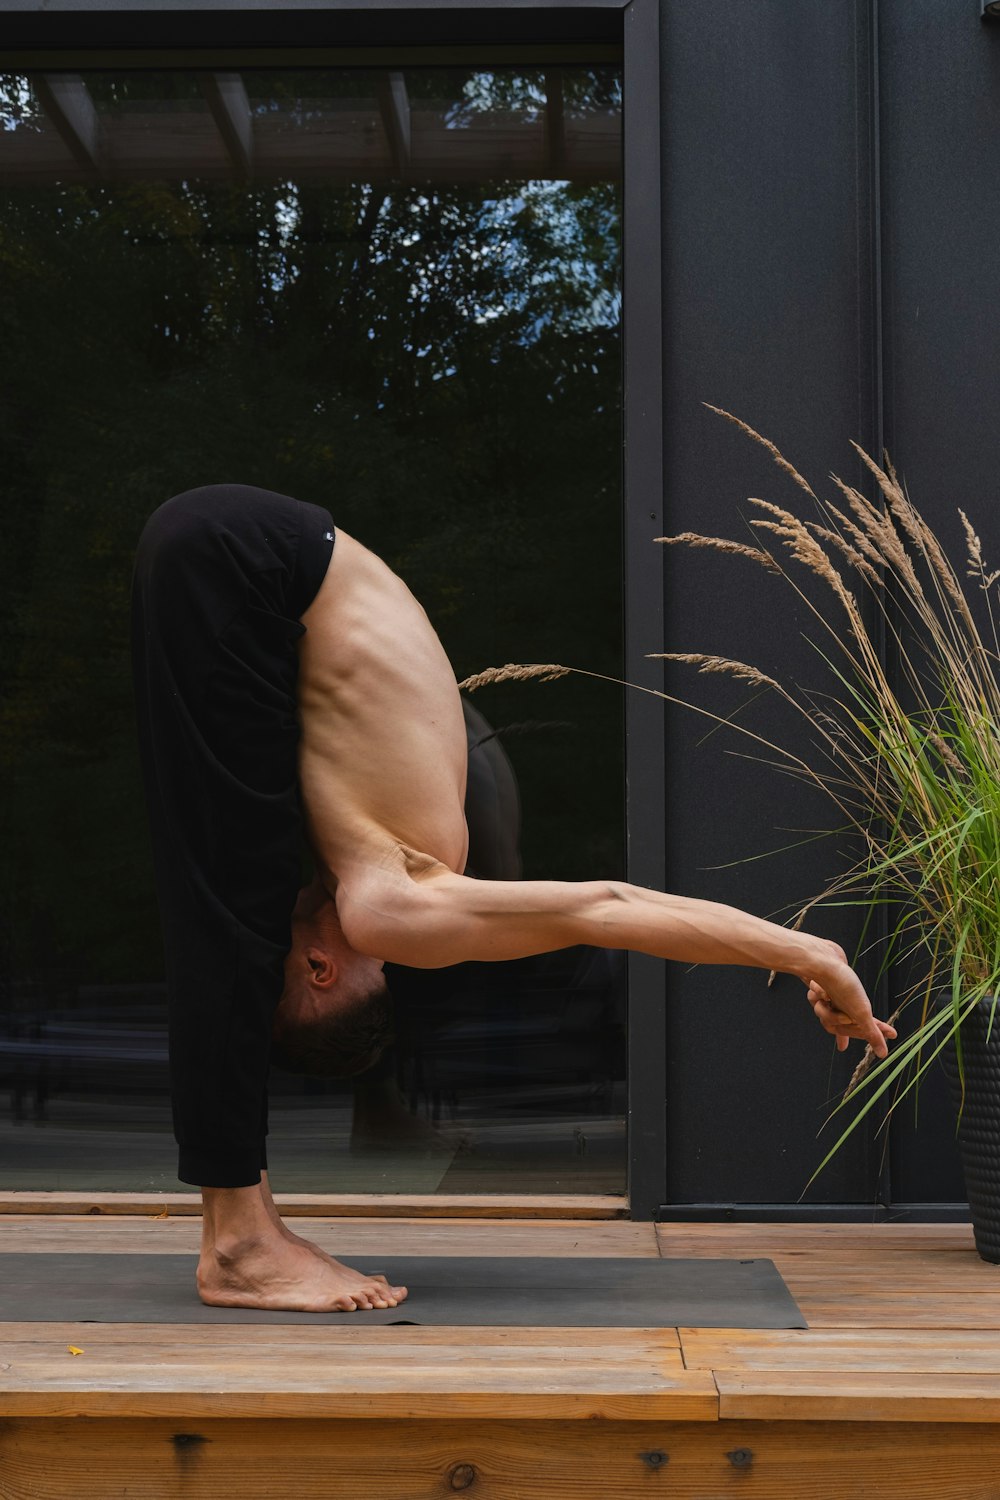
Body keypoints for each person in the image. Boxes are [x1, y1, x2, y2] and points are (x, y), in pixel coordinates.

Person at [132, 483, 897, 1315]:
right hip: (247, 560)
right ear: (319, 970)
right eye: (277, 974)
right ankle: (243, 1242)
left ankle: (246, 1238)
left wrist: (804, 954)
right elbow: (603, 905)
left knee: (224, 909)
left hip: (247, 562)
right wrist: (805, 950)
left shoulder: (379, 878)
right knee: (227, 920)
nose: (278, 944)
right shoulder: (390, 902)